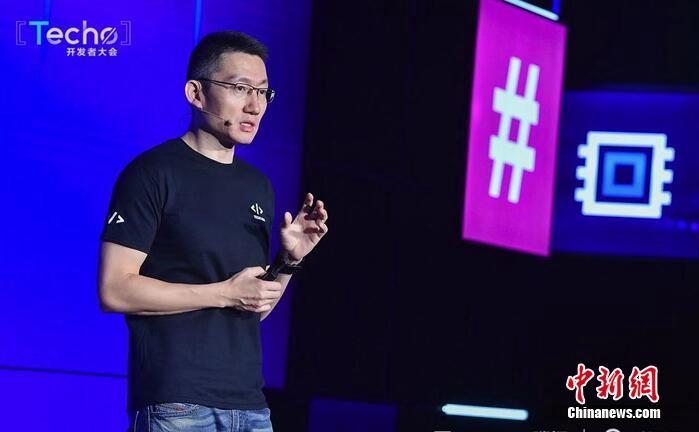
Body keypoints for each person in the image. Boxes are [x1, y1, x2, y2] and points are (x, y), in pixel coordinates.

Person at [97, 31, 328, 432]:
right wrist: (224, 292)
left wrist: (289, 261)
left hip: (250, 406)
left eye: (263, 92)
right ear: (196, 93)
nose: (255, 105)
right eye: (240, 88)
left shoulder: (258, 186)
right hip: (177, 403)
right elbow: (114, 290)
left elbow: (254, 308)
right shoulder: (152, 173)